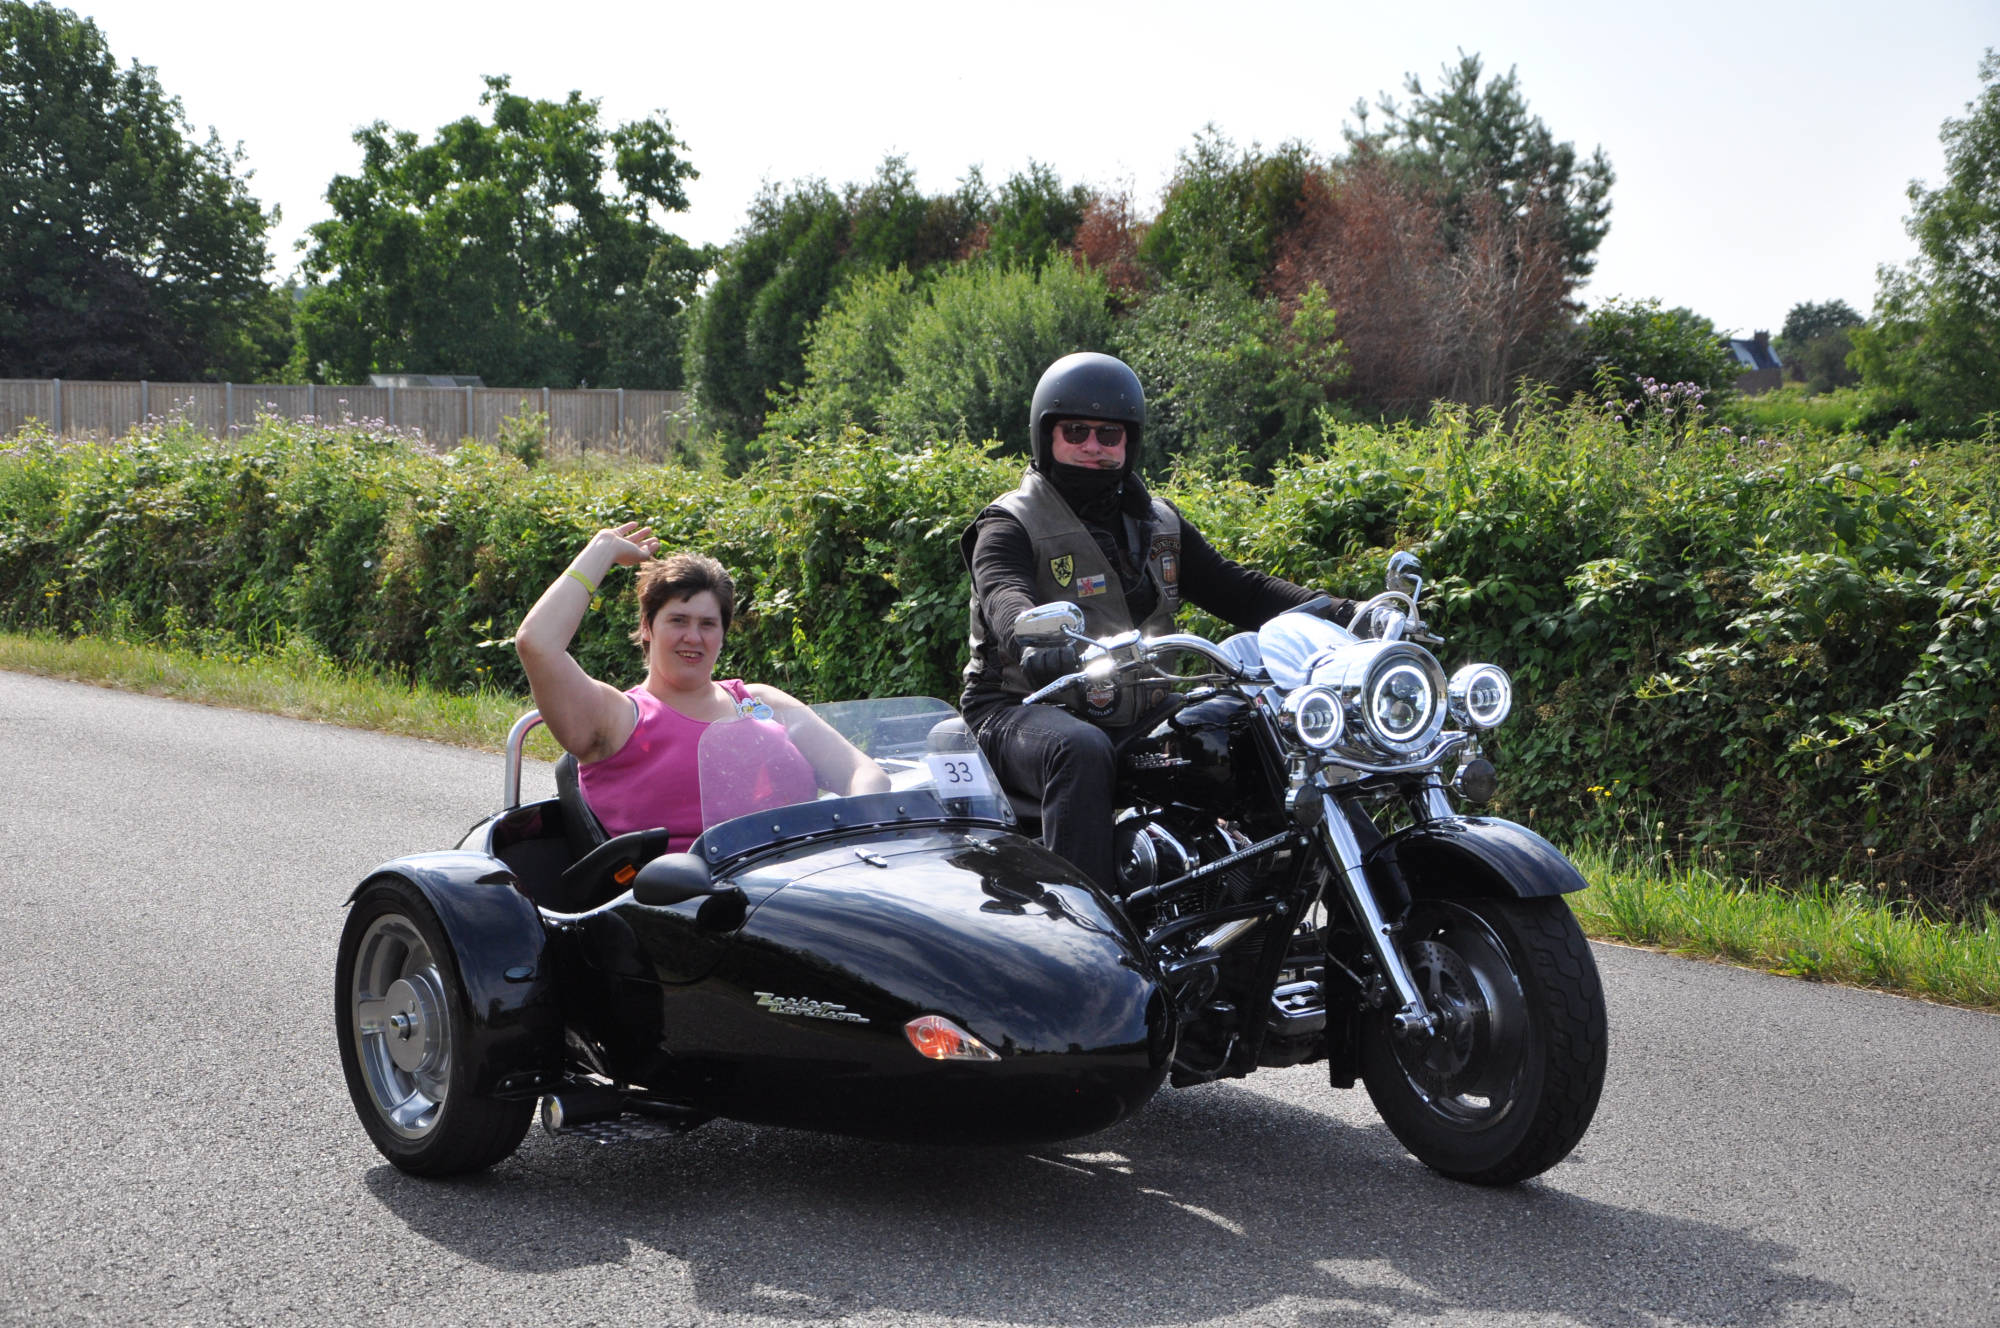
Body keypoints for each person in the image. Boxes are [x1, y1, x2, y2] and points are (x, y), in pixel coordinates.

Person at [960, 352, 1358, 892]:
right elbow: (1004, 594)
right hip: (1015, 709)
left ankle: (1275, 898)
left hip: (1137, 704)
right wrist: (1033, 638)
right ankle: (1087, 923)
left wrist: (1343, 612)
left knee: (1247, 725)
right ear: (1046, 436)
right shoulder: (1010, 523)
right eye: (1076, 431)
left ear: (1130, 441)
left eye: (1109, 433)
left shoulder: (1158, 522)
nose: (1093, 445)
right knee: (1080, 749)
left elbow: (1237, 589)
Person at [516, 527, 887, 852]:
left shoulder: (759, 701)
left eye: (708, 624)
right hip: (695, 899)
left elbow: (864, 773)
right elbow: (537, 643)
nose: (693, 637)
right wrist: (603, 548)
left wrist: (857, 831)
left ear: (722, 634)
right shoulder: (618, 717)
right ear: (647, 627)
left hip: (807, 881)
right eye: (678, 620)